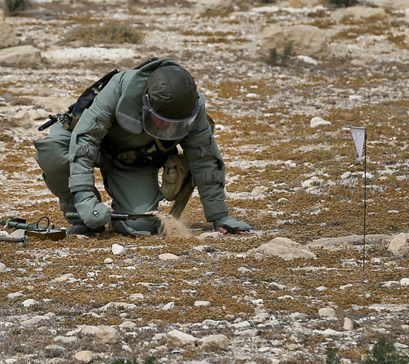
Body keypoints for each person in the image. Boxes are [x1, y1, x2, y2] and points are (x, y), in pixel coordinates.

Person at [33, 58, 251, 236]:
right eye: (161, 121)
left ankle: (114, 212)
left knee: (138, 226)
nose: (168, 129)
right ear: (146, 102)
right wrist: (84, 199)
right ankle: (82, 219)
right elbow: (85, 142)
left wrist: (219, 216)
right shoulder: (119, 88)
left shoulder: (194, 107)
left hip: (134, 161)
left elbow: (204, 157)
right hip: (92, 144)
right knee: (53, 151)